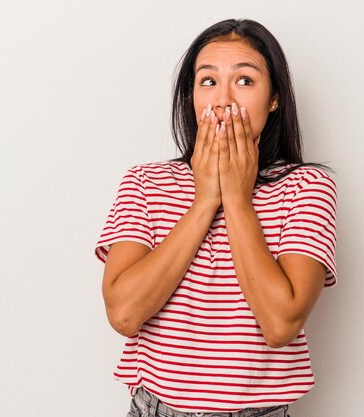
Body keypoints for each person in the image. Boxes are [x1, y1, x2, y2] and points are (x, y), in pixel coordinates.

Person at [94, 18, 337, 417]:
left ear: (274, 98)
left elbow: (280, 325)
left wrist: (238, 199)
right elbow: (123, 313)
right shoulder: (145, 182)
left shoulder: (307, 187)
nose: (223, 100)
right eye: (208, 81)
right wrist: (205, 201)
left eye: (245, 81)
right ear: (190, 96)